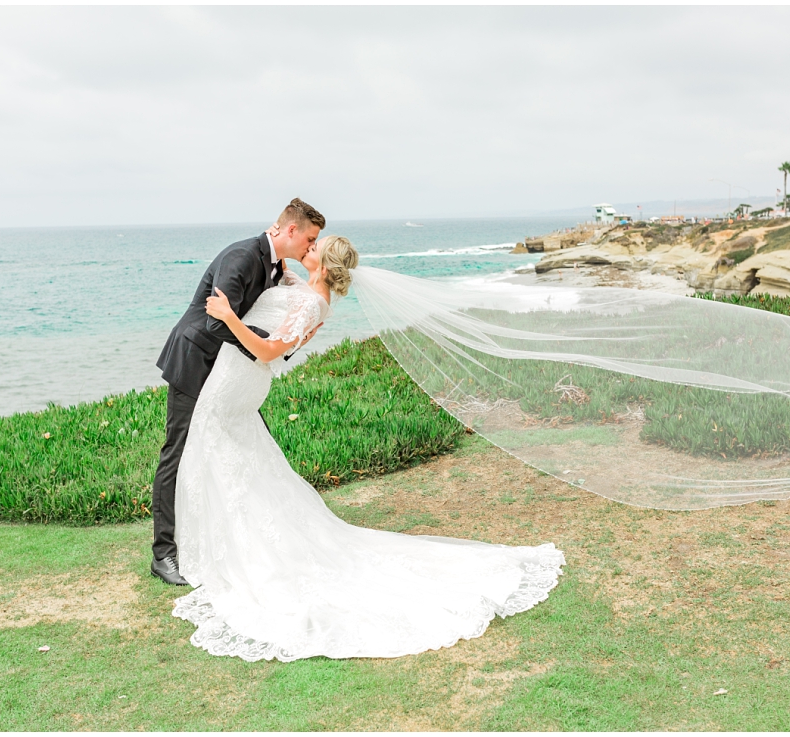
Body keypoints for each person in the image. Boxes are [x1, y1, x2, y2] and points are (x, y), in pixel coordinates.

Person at [171, 235, 566, 661]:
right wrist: (282, 278)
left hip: (238, 379)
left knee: (225, 457)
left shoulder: (312, 304)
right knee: (238, 462)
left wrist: (229, 317)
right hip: (236, 381)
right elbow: (282, 318)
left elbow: (269, 351)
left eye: (315, 247)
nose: (309, 247)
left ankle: (239, 554)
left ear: (324, 265)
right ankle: (227, 545)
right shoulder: (307, 294)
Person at [149, 198, 325, 586]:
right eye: (309, 238)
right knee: (177, 452)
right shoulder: (243, 256)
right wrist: (271, 346)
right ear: (290, 230)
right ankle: (163, 554)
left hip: (231, 373)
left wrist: (284, 342)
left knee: (246, 445)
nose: (310, 248)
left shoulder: (276, 266)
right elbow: (215, 323)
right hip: (196, 360)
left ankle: (236, 534)